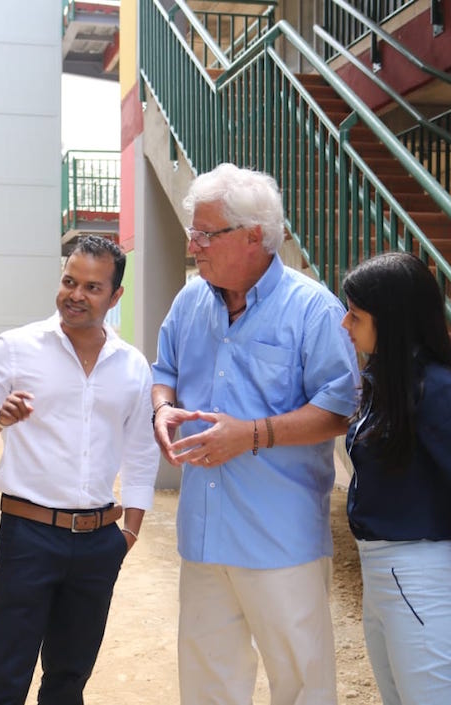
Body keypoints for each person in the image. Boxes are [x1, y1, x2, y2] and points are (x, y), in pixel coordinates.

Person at [151, 163, 360, 705]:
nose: (192, 244)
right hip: (203, 531)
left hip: (279, 536)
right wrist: (163, 410)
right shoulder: (188, 302)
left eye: (204, 233)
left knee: (301, 683)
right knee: (207, 684)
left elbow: (339, 409)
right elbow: (164, 373)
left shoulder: (314, 310)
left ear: (252, 237)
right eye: (193, 232)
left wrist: (251, 435)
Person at [0, 235, 159, 705]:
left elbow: (142, 451)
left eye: (92, 287)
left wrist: (129, 532)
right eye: (69, 281)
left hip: (99, 540)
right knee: (6, 676)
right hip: (29, 534)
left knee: (69, 681)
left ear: (115, 296)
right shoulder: (17, 347)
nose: (76, 295)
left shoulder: (131, 366)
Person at [340, 252, 451, 705]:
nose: (345, 324)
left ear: (392, 321)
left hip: (414, 574)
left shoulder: (435, 389)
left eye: (355, 315)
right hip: (385, 572)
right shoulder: (389, 380)